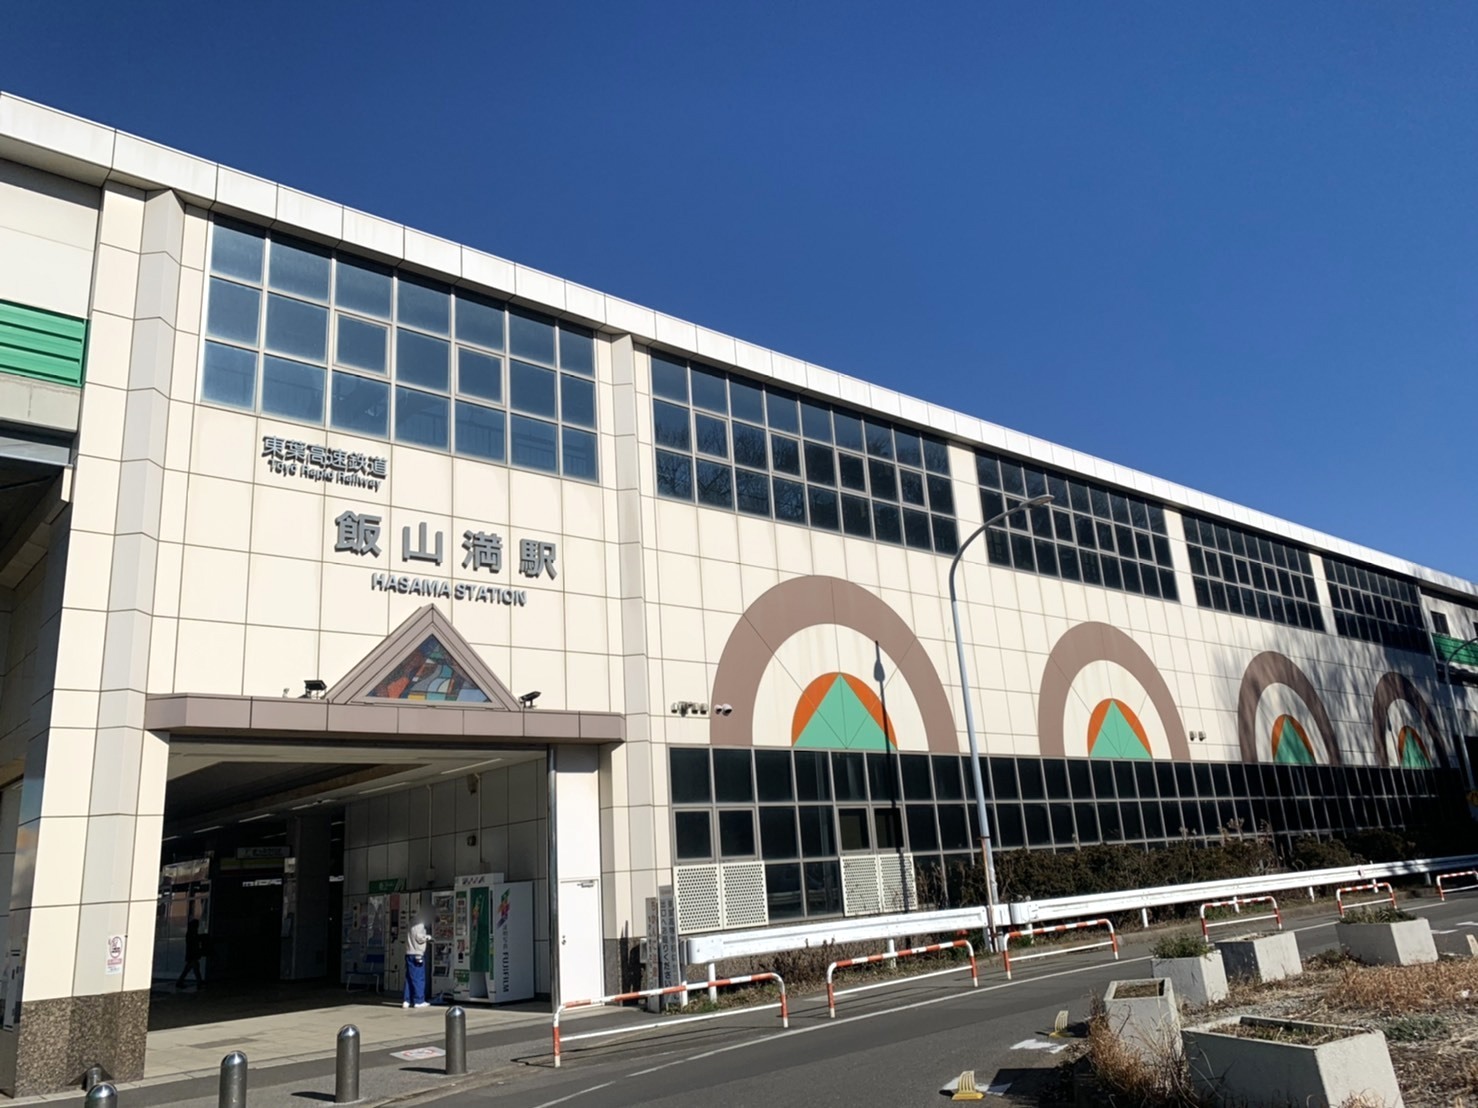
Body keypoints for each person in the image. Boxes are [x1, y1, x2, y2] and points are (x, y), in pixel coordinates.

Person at [403, 913, 430, 1009]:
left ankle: (407, 1000)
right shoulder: (420, 923)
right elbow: (419, 937)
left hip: (409, 953)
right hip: (417, 954)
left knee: (409, 978)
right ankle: (419, 1000)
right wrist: (428, 937)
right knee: (419, 978)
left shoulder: (410, 922)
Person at [175, 917, 204, 989]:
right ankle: (199, 983)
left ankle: (180, 982)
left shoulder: (191, 933)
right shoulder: (192, 933)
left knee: (188, 969)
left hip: (191, 955)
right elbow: (194, 943)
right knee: (195, 969)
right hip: (192, 955)